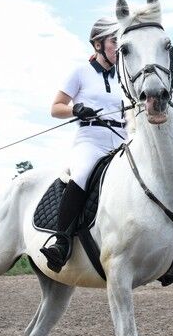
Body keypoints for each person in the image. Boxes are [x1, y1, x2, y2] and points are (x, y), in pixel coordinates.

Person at [40, 17, 126, 272]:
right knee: (82, 175)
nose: (119, 46)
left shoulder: (125, 75)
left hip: (123, 138)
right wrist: (76, 108)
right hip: (91, 139)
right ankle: (61, 242)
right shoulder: (80, 72)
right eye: (114, 41)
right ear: (98, 44)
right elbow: (56, 108)